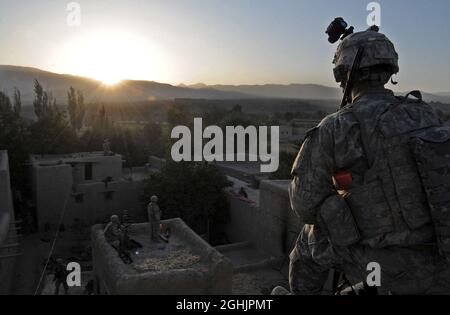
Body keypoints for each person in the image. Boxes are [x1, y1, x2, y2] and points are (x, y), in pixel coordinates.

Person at [286, 22, 450, 295]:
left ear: (344, 74)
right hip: (440, 260)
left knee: (308, 239)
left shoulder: (336, 127)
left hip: (397, 268)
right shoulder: (423, 113)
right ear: (389, 70)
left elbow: (305, 205)